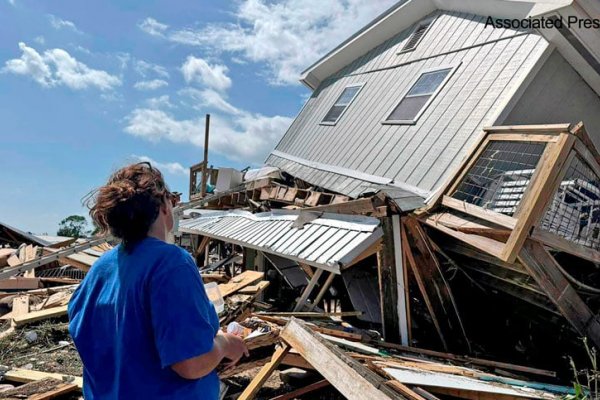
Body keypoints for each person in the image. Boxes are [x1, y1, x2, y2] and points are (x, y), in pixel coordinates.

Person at [68, 162, 248, 399]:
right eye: (172, 199)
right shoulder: (171, 263)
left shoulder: (100, 269)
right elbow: (190, 364)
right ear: (163, 205)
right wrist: (225, 344)